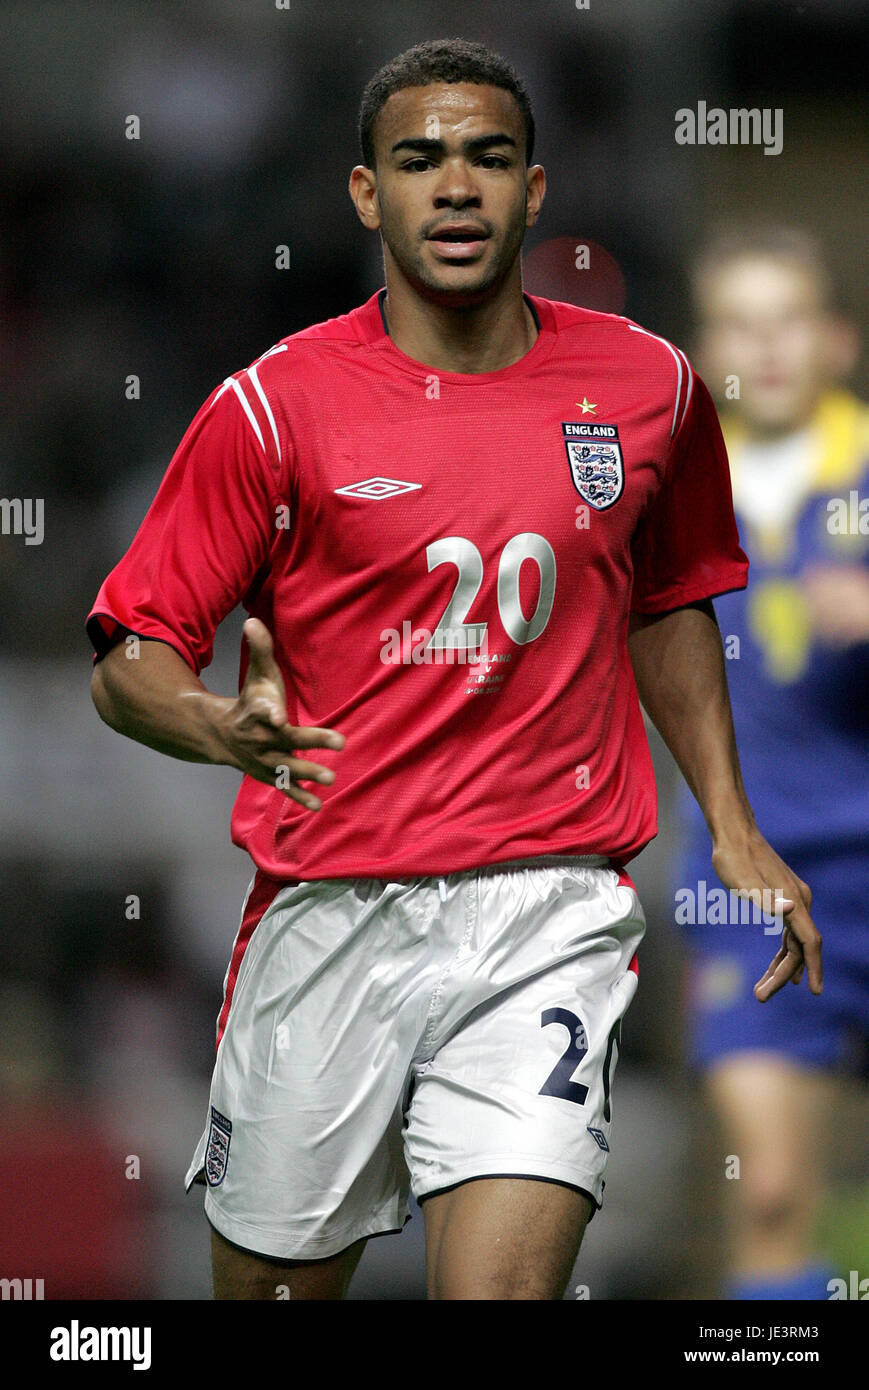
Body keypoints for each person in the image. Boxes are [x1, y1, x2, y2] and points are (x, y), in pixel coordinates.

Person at [86, 39, 820, 1302]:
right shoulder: (271, 409)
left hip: (549, 908)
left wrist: (733, 824)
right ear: (366, 193)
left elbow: (671, 602)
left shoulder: (650, 387)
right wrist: (216, 727)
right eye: (418, 160)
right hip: (331, 909)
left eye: (487, 157)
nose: (456, 187)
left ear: (535, 189)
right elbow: (127, 658)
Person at [675, 227, 869, 1300]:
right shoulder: (661, 493)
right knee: (769, 1190)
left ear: (834, 336)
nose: (769, 345)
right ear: (705, 351)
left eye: (787, 317)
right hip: (744, 880)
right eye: (741, 323)